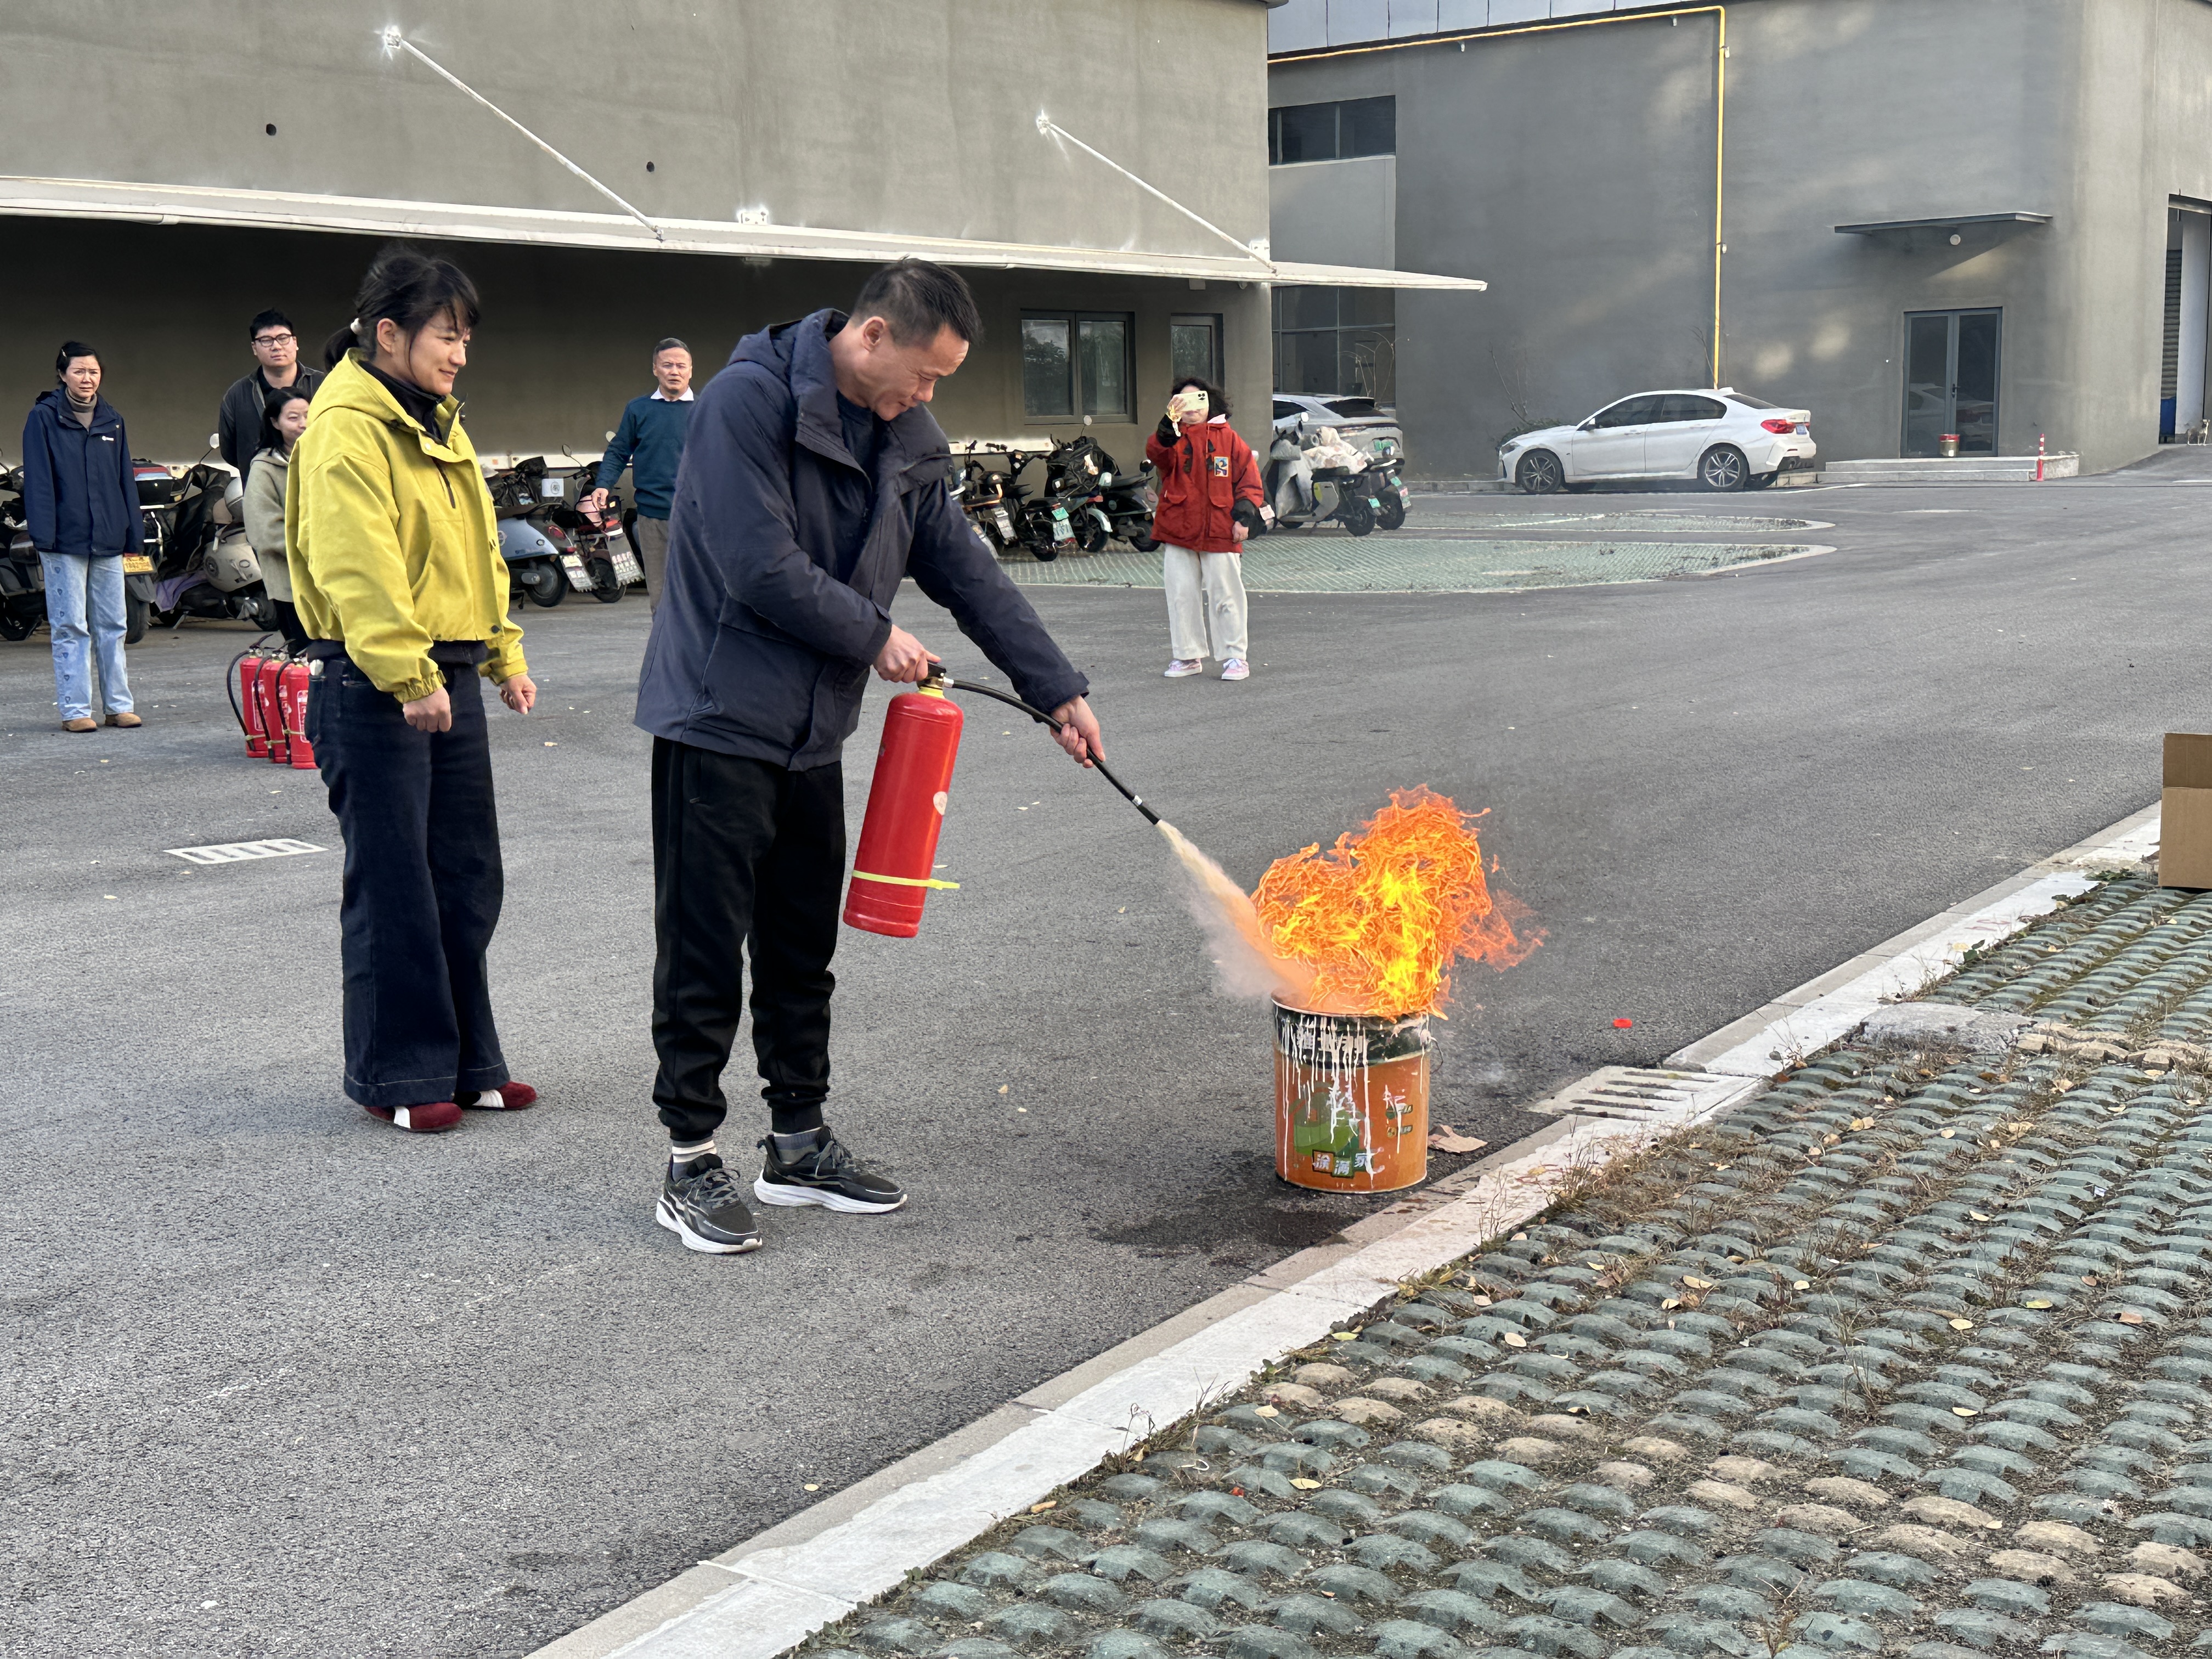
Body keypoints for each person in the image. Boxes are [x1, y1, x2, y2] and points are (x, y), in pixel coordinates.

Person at [634, 258, 1104, 1255]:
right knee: (706, 949)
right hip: (716, 718)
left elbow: (967, 571)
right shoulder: (743, 403)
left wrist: (1054, 687)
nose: (928, 397)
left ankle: (796, 1142)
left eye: (941, 384)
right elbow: (754, 563)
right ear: (875, 334)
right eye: (925, 375)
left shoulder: (901, 439)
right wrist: (872, 634)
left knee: (802, 945)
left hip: (812, 734)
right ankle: (689, 1158)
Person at [289, 245, 539, 1136]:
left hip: (451, 672)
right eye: (446, 334)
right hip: (377, 680)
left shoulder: (438, 421)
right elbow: (356, 562)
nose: (460, 352)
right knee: (396, 884)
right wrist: (404, 669)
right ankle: (399, 1071)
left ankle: (470, 1061)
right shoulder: (345, 427)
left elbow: (479, 551)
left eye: (466, 337)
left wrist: (504, 654)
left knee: (467, 875)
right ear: (387, 332)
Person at [20, 342, 140, 733]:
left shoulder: (113, 420)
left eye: (93, 372)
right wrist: (44, 535)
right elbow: (38, 481)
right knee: (71, 625)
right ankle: (76, 710)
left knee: (113, 624)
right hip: (63, 539)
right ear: (62, 374)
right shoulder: (43, 418)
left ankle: (119, 706)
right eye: (79, 371)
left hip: (108, 536)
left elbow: (126, 482)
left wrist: (133, 536)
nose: (87, 379)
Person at [1144, 375, 1263, 682]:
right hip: (1179, 528)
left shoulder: (1231, 439)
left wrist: (1244, 519)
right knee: (1181, 595)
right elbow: (1156, 454)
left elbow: (1249, 482)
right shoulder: (1171, 438)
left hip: (1220, 529)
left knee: (1228, 595)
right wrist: (1166, 424)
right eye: (1182, 400)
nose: (1191, 407)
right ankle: (1187, 656)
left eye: (1199, 399)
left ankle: (1236, 657)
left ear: (1210, 403)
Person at [584, 337, 694, 610]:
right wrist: (603, 485)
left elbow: (723, 458)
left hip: (696, 517)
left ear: (691, 370)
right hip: (652, 516)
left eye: (681, 365)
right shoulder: (639, 409)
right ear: (655, 369)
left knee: (697, 596)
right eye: (667, 365)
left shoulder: (705, 410)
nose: (675, 371)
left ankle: (696, 651)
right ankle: (664, 651)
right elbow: (619, 451)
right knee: (661, 599)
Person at [241, 385, 313, 650]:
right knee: (305, 659)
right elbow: (264, 531)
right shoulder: (265, 468)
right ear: (275, 422)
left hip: (330, 582)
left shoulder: (325, 459)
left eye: (308, 415)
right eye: (293, 418)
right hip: (291, 585)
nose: (303, 424)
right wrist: (313, 550)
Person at [219, 309, 323, 482]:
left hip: (317, 488)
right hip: (259, 489)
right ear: (254, 348)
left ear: (295, 342)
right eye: (266, 340)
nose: (276, 346)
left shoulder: (323, 385)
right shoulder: (237, 395)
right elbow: (230, 452)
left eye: (283, 338)